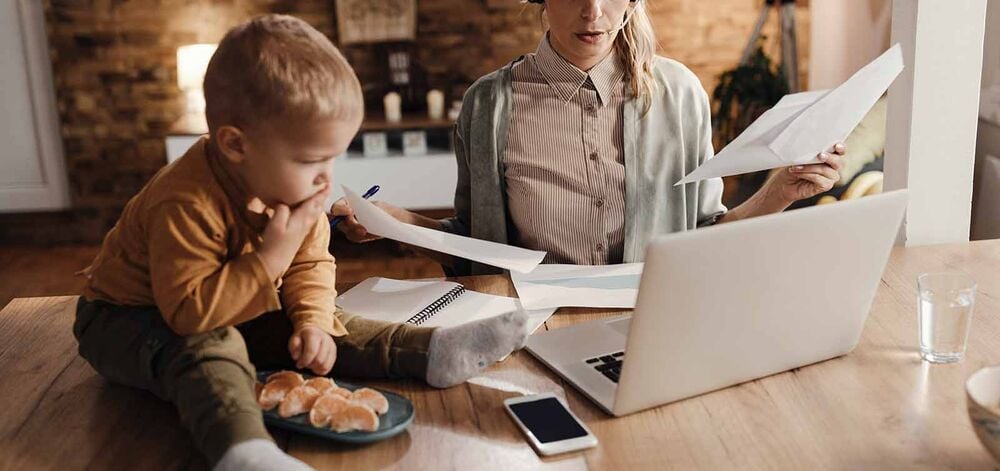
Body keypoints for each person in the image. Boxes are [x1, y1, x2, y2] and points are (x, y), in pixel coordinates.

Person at [74, 15, 528, 471]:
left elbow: (310, 265)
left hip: (229, 300)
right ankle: (244, 452)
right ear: (236, 145)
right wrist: (273, 256)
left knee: (330, 320)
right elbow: (191, 315)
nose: (326, 178)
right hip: (131, 320)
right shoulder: (184, 201)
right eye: (312, 160)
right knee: (211, 349)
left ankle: (430, 351)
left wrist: (311, 322)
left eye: (333, 157)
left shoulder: (294, 187)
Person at [330, 0, 845, 275]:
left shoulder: (681, 93)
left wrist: (781, 191)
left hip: (651, 322)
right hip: (528, 326)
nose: (593, 10)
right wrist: (400, 224)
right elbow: (478, 248)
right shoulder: (488, 104)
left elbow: (705, 236)